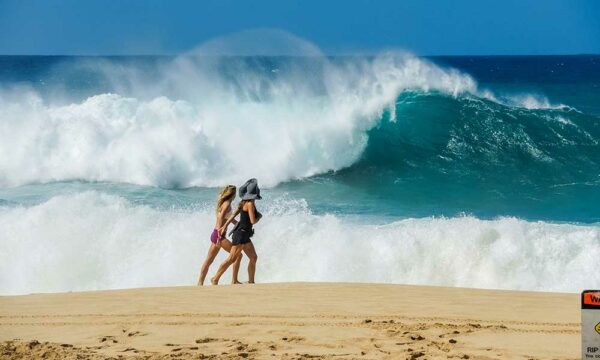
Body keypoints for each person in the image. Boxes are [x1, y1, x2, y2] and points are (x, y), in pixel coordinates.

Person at [211, 178, 262, 285]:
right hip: (241, 235)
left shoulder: (242, 203)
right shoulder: (250, 204)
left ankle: (251, 281)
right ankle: (215, 278)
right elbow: (253, 221)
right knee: (231, 259)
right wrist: (259, 217)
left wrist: (224, 226)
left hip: (244, 234)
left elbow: (232, 215)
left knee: (253, 257)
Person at [197, 185, 243, 286]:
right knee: (238, 255)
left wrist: (240, 225)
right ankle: (232, 280)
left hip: (216, 234)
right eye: (235, 193)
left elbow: (229, 219)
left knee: (209, 261)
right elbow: (221, 218)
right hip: (219, 236)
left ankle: (200, 283)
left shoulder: (225, 204)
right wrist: (219, 232)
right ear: (232, 194)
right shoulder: (226, 204)